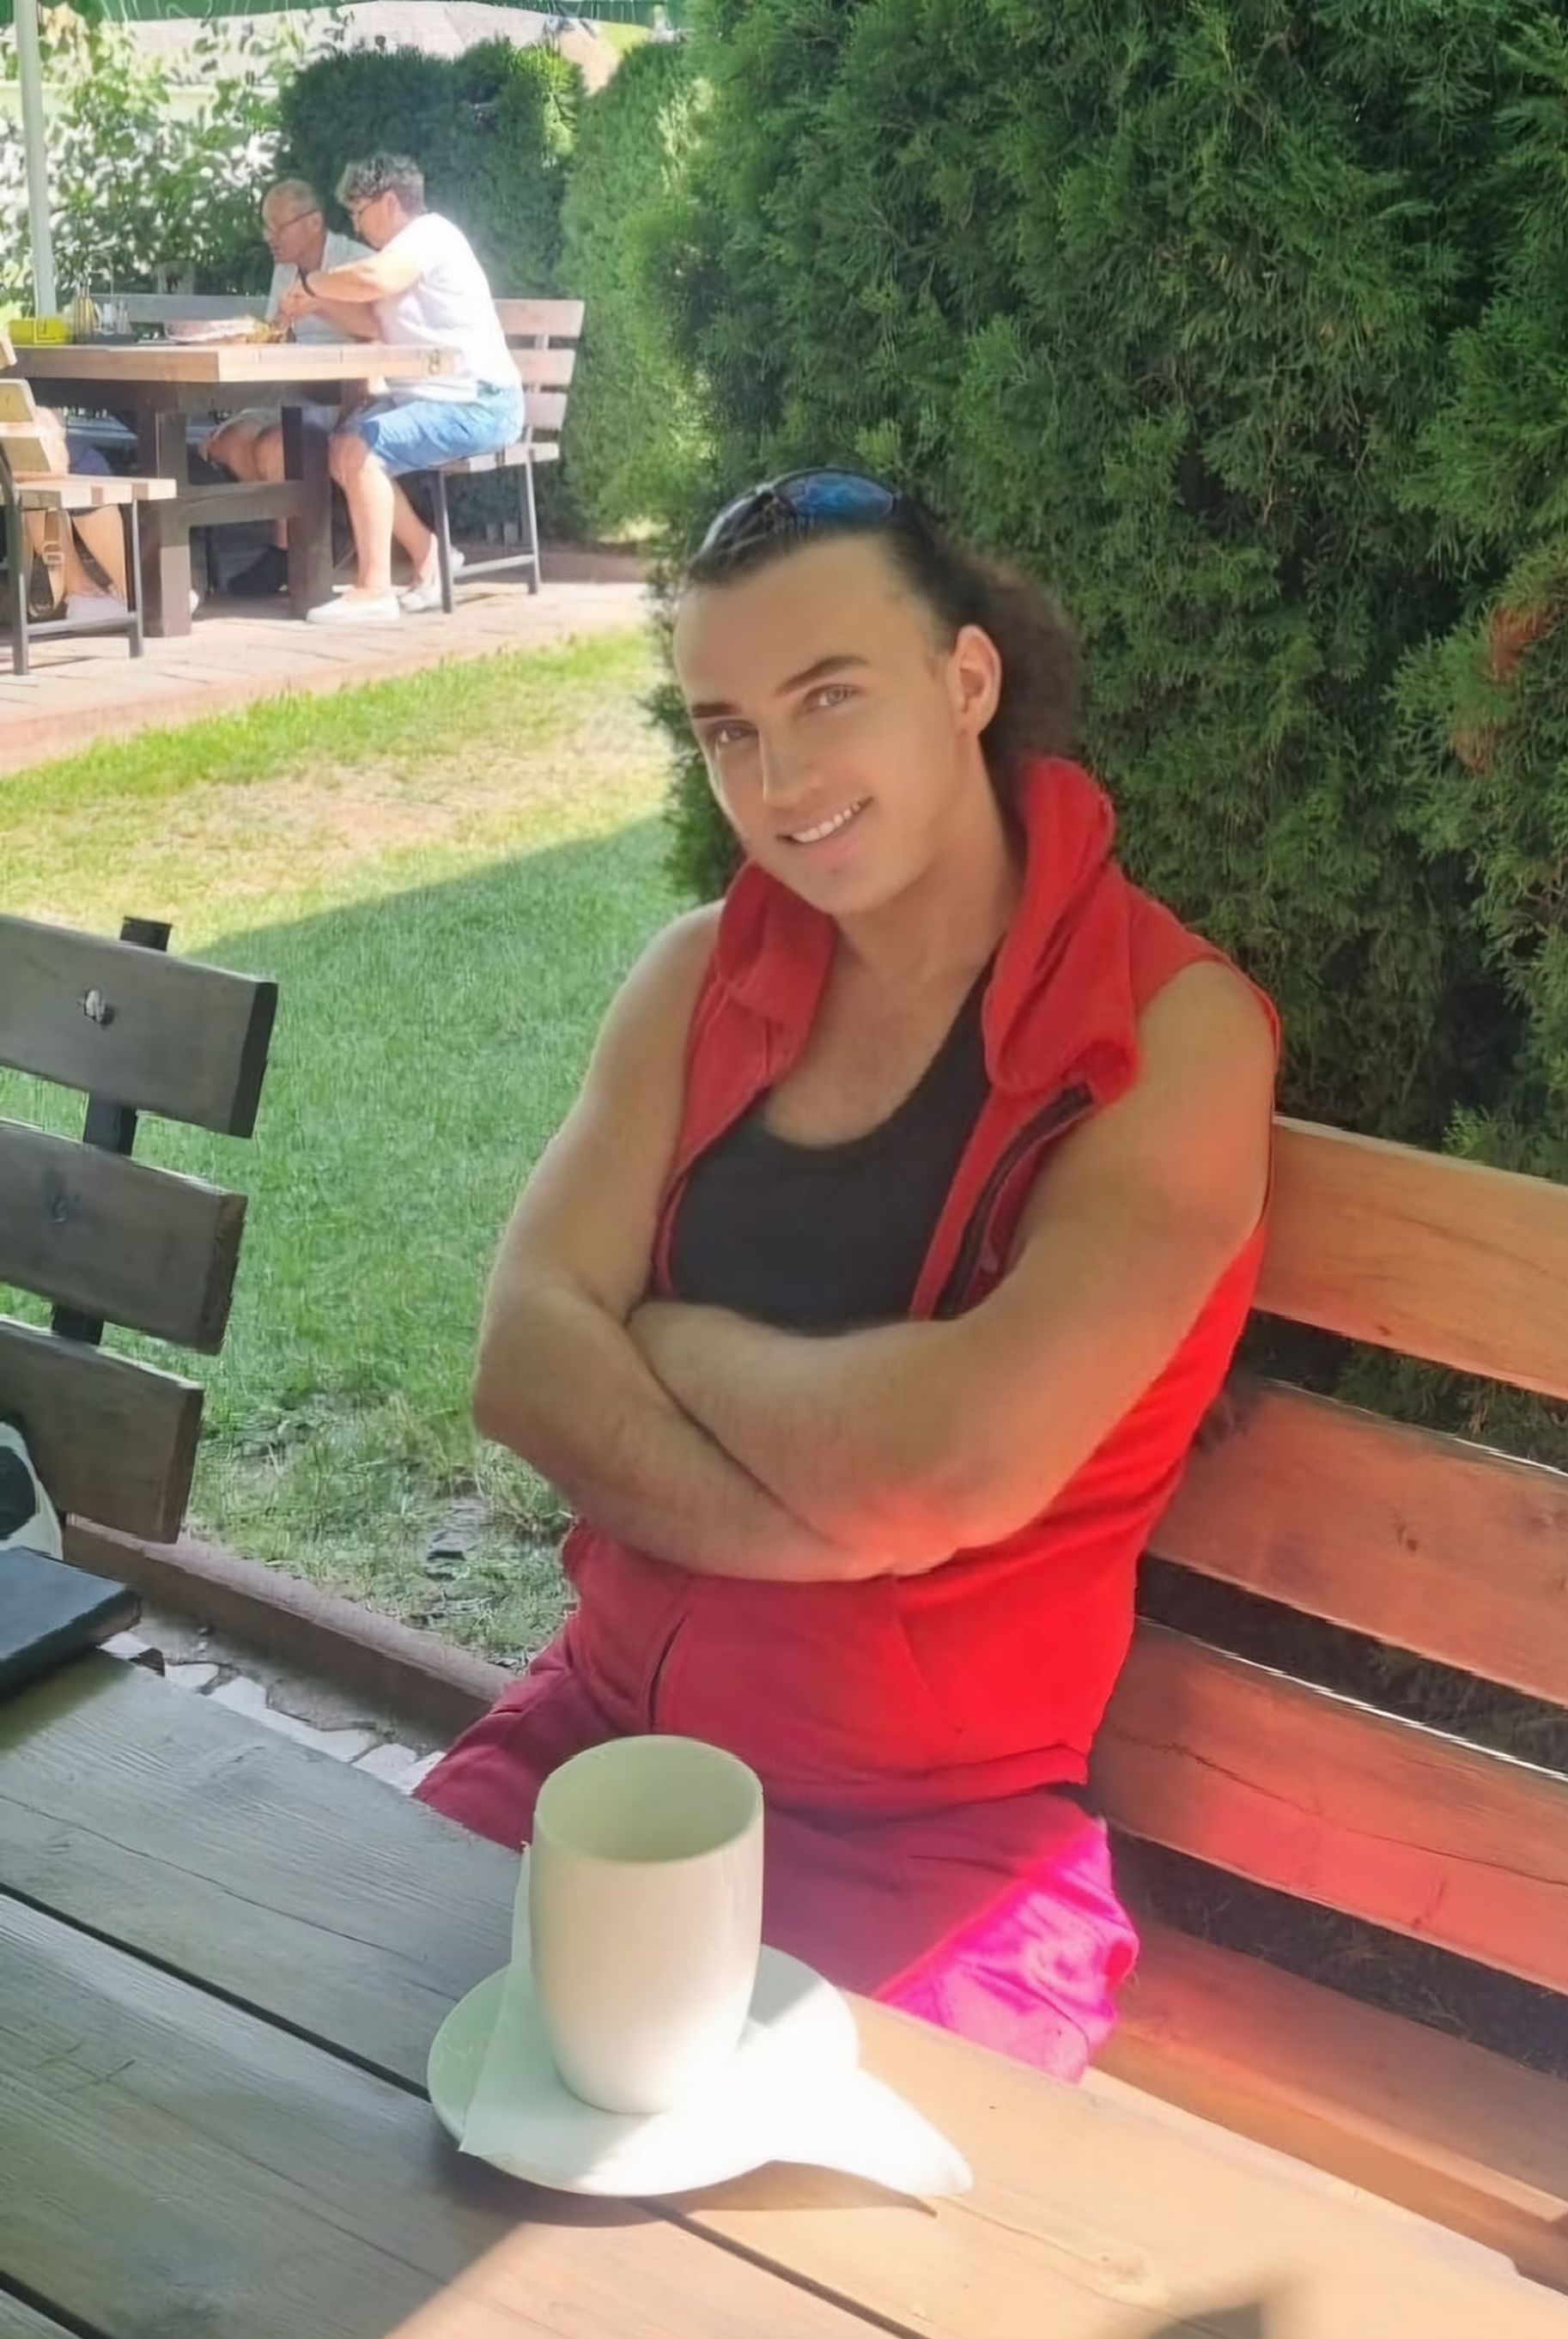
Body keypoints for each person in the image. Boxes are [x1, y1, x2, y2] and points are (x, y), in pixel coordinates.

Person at [416, 472, 1279, 2081]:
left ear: (967, 680)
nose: (781, 779)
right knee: (338, 2089)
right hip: (603, 1751)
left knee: (796, 2239)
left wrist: (664, 1336)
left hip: (937, 1843)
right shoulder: (697, 977)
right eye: (728, 729)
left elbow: (957, 1462)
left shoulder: (1172, 1039)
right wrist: (813, 1532)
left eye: (829, 698)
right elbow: (523, 1362)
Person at [274, 152, 523, 625]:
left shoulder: (429, 236)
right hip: (433, 397)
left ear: (389, 202)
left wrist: (313, 280)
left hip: (479, 401)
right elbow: (372, 322)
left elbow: (372, 279)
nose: (355, 223)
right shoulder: (401, 253)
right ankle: (431, 557)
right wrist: (317, 304)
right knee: (340, 448)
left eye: (359, 211)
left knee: (358, 448)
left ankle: (374, 591)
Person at [199, 179, 364, 601]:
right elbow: (276, 332)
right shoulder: (286, 270)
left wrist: (321, 303)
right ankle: (309, 527)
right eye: (266, 226)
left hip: (345, 393)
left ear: (314, 222)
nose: (269, 236)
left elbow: (377, 334)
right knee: (228, 440)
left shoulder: (354, 263)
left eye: (278, 226)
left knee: (278, 449)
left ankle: (289, 552)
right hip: (291, 390)